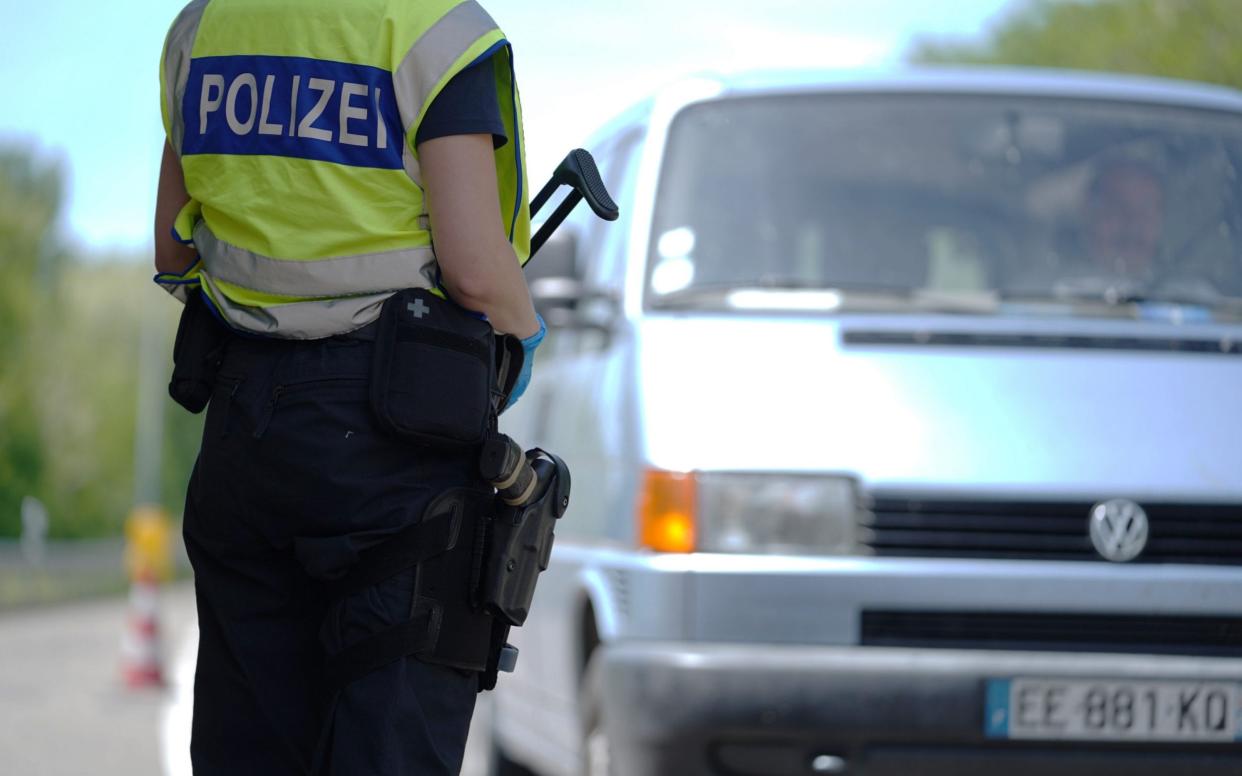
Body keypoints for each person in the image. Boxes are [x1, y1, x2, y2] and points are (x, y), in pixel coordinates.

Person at [152, 1, 544, 774]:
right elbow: (473, 266)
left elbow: (172, 247)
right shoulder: (437, 26)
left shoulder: (204, 25)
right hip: (398, 435)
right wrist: (522, 335)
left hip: (242, 421)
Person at [1081, 157, 1165, 278]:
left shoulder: (1189, 293)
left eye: (1145, 211)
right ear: (1088, 213)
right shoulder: (1053, 286)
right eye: (1118, 207)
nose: (1133, 223)